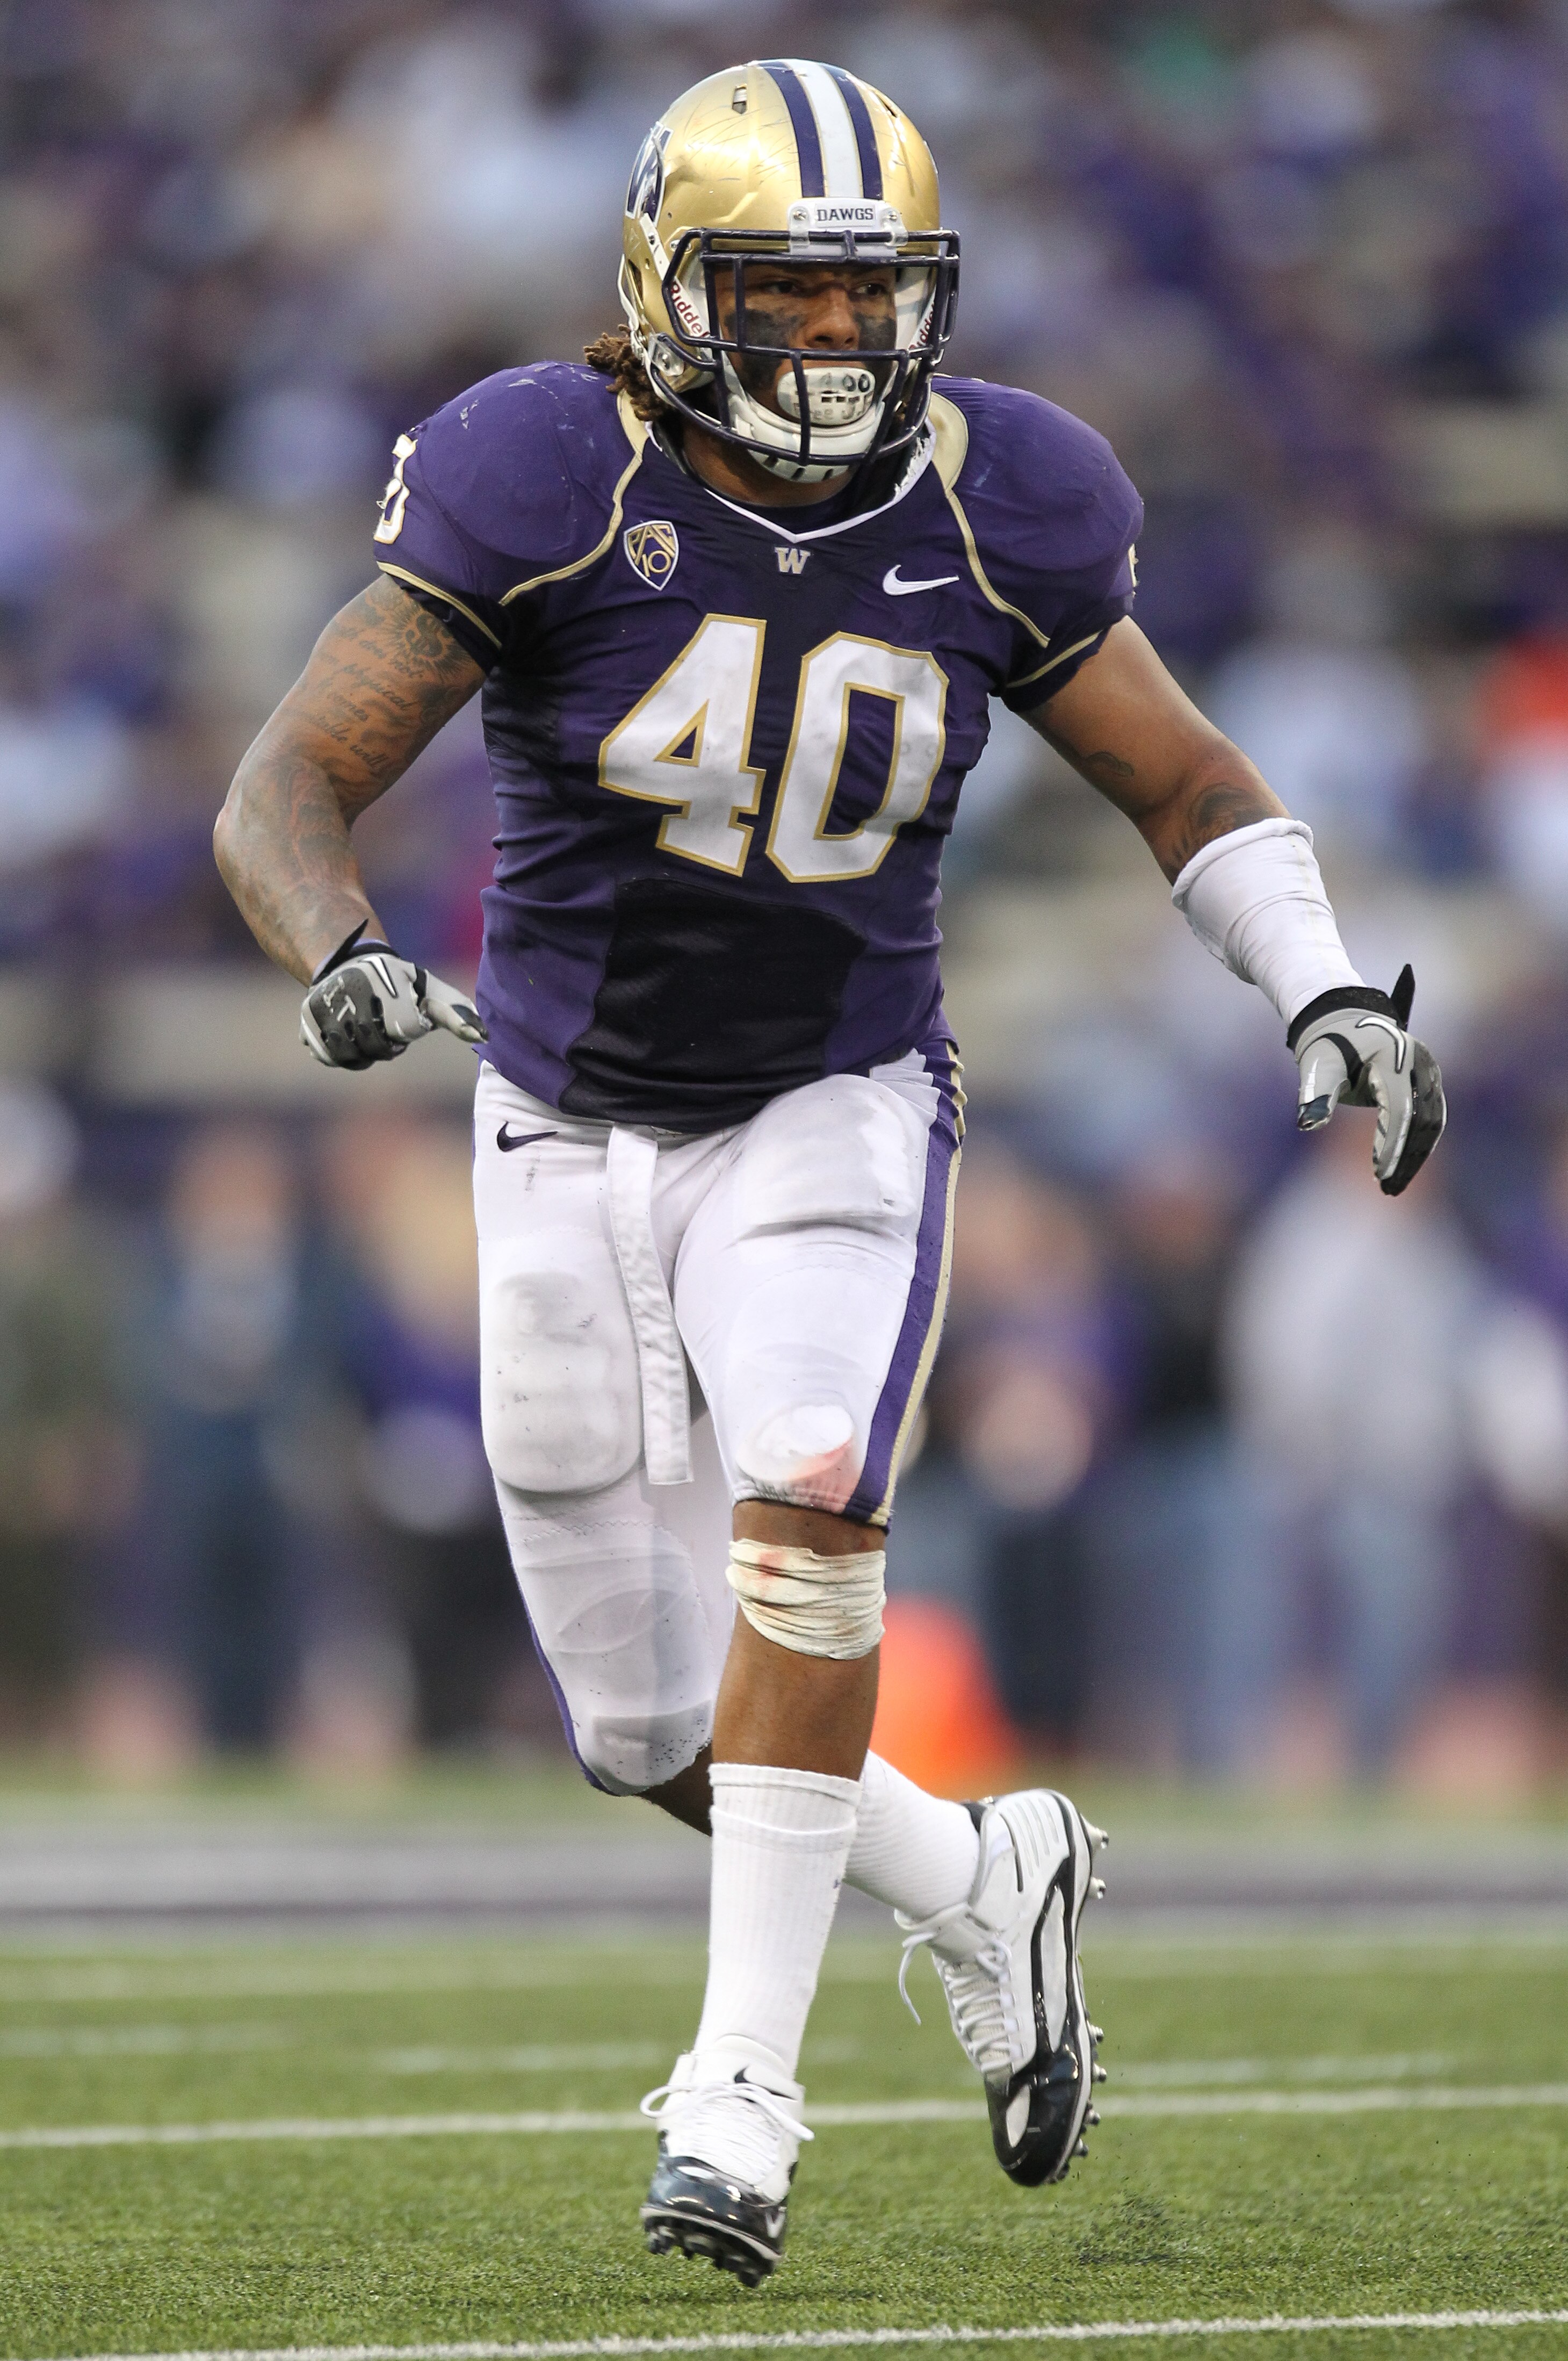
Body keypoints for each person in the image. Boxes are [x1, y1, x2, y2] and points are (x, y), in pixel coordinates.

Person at [213, 58, 1446, 2285]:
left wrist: (1326, 987)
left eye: (868, 299)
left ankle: (740, 2093)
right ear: (667, 293)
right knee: (639, 1722)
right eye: (778, 296)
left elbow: (1181, 781)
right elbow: (284, 779)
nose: (831, 345)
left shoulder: (1004, 498)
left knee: (809, 1484)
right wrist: (345, 950)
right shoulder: (534, 469)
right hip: (561, 1111)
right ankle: (989, 1883)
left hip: (833, 1093)